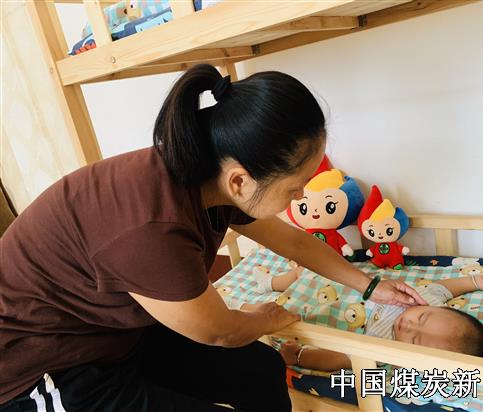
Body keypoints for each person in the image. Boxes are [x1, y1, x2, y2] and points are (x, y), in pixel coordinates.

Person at [0, 64, 426, 412]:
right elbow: (220, 332)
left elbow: (293, 242)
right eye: (295, 187)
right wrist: (267, 319)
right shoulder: (152, 225)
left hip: (116, 334)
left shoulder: (210, 169)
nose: (300, 197)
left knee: (260, 369)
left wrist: (370, 285)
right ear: (241, 180)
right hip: (44, 368)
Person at [274, 274, 483, 371]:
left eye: (414, 339)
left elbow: (341, 359)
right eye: (422, 317)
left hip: (329, 308)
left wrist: (299, 356)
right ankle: (275, 280)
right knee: (307, 275)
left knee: (292, 305)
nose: (408, 325)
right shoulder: (424, 299)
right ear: (439, 308)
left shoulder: (383, 347)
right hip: (345, 284)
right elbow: (445, 288)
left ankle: (272, 286)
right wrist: (473, 281)